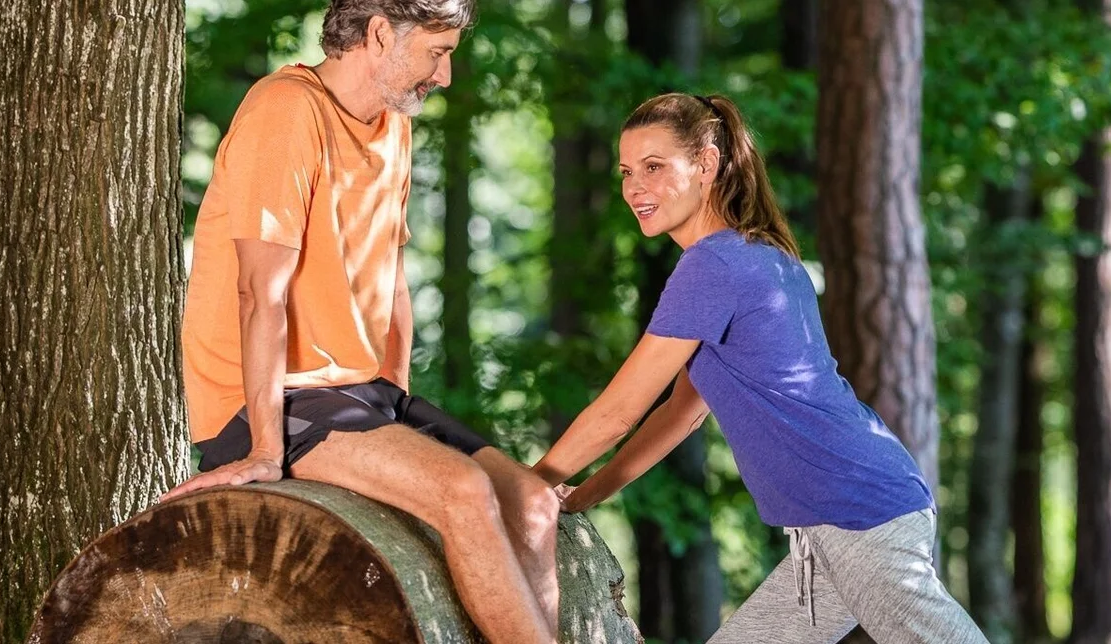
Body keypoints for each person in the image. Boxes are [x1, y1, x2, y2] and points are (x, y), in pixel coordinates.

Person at [161, 2, 560, 642]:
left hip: (358, 393)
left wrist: (394, 399)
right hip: (262, 400)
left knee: (533, 505)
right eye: (437, 52)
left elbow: (390, 278)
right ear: (379, 34)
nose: (446, 75)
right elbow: (257, 294)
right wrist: (266, 451)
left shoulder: (392, 125)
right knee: (462, 491)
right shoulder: (286, 110)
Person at [533, 92, 989, 644]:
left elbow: (619, 411)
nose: (634, 187)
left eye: (655, 167)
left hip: (859, 513)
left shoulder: (714, 264)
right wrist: (586, 492)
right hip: (832, 528)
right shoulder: (757, 254)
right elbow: (681, 413)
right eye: (628, 171)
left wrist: (528, 487)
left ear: (706, 163)